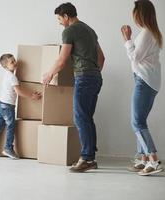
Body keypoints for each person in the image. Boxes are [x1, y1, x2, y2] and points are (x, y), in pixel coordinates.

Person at [43, 2, 105, 172]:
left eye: (59, 18)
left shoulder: (69, 31)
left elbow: (62, 60)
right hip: (96, 78)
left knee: (80, 118)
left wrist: (49, 74)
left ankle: (86, 158)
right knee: (87, 118)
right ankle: (90, 158)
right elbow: (102, 58)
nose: (59, 22)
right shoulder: (90, 30)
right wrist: (93, 73)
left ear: (66, 16)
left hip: (84, 78)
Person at [121, 0, 164, 176]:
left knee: (136, 122)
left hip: (144, 81)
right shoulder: (151, 32)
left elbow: (134, 57)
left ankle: (153, 160)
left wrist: (127, 40)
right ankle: (143, 158)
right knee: (140, 121)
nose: (134, 17)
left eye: (135, 13)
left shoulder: (146, 33)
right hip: (149, 81)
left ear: (140, 14)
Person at [0, 53, 42, 159]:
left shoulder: (7, 75)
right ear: (5, 66)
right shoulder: (12, 77)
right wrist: (32, 96)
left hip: (1, 104)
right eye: (12, 62)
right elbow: (19, 91)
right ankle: (8, 148)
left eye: (14, 60)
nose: (15, 63)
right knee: (11, 126)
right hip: (8, 106)